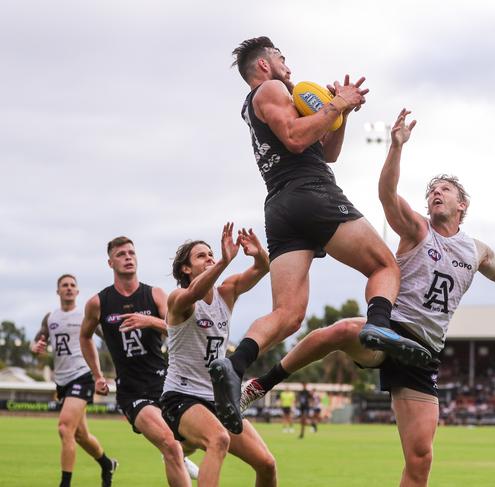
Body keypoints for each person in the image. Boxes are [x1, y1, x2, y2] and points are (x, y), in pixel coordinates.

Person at [241, 109, 495, 487]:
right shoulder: (416, 229)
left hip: (424, 350)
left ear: (463, 206)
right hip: (391, 330)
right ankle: (261, 384)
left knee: (421, 458)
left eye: (444, 189)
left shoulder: (476, 251)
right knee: (343, 330)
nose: (435, 193)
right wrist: (395, 147)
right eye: (432, 191)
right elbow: (386, 195)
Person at [210, 35, 430, 435]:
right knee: (384, 265)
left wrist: (340, 116)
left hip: (280, 208)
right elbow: (296, 138)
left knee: (288, 315)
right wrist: (336, 104)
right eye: (281, 58)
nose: (288, 67)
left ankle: (235, 364)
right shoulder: (271, 89)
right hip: (310, 193)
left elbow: (326, 151)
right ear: (263, 65)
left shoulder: (267, 100)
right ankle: (379, 323)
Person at [161, 224, 276, 486]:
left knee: (267, 464)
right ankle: (182, 447)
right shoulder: (179, 298)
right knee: (218, 439)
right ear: (185, 269)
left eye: (211, 254)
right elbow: (195, 292)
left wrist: (258, 253)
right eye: (201, 256)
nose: (209, 257)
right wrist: (224, 260)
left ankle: (183, 448)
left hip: (219, 400)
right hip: (180, 396)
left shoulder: (227, 292)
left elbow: (262, 269)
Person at [79, 236, 197, 487]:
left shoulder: (154, 294)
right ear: (110, 262)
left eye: (131, 253)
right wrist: (97, 374)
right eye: (121, 254)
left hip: (167, 385)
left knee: (192, 442)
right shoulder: (98, 303)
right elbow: (85, 336)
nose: (128, 257)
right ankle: (177, 455)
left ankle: (181, 456)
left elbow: (178, 328)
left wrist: (150, 321)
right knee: (169, 444)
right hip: (132, 392)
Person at [31, 274, 117, 487]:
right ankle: (107, 464)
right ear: (58, 291)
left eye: (72, 285)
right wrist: (35, 348)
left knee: (64, 428)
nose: (68, 288)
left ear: (77, 291)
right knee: (80, 435)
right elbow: (37, 343)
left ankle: (65, 484)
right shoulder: (50, 318)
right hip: (62, 381)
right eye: (64, 285)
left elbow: (108, 336)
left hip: (83, 375)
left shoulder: (84, 314)